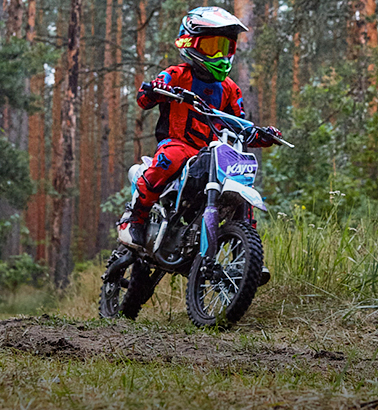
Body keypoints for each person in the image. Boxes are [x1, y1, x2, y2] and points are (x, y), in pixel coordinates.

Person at [118, 6, 281, 249]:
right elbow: (144, 99)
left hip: (211, 153)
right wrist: (155, 90)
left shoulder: (229, 88)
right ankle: (134, 218)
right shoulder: (176, 74)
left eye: (224, 48)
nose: (218, 55)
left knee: (242, 180)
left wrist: (261, 134)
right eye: (210, 47)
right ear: (191, 44)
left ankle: (244, 251)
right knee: (171, 158)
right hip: (177, 144)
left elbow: (240, 126)